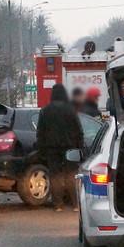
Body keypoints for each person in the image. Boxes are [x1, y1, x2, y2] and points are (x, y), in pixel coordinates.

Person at [37, 84, 84, 212]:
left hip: (52, 148)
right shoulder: (71, 110)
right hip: (70, 148)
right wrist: (80, 147)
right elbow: (79, 131)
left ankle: (58, 205)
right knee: (71, 174)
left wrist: (42, 149)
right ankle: (75, 204)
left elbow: (40, 132)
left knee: (55, 175)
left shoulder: (45, 111)